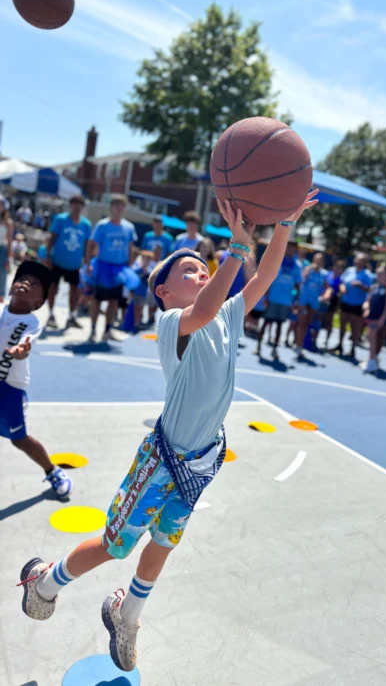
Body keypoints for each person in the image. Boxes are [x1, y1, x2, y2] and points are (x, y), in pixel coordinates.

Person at [18, 192, 317, 673]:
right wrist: (236, 248)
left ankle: (127, 612)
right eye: (190, 272)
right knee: (117, 543)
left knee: (164, 542)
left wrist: (284, 221)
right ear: (164, 291)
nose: (201, 273)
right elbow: (206, 306)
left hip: (201, 462)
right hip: (163, 460)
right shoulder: (175, 321)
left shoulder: (227, 316)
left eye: (206, 269)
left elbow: (264, 277)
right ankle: (46, 583)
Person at [0, 261, 73, 498]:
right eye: (22, 280)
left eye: (34, 284)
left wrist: (22, 350)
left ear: (38, 302)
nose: (26, 284)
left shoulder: (31, 322)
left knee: (19, 439)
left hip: (10, 388)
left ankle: (52, 470)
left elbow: (26, 343)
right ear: (11, 287)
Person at [85, 195, 138, 343]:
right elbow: (91, 245)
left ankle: (107, 330)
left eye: (121, 205)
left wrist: (130, 265)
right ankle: (93, 330)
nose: (118, 208)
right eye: (115, 205)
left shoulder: (129, 227)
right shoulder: (102, 225)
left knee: (114, 301)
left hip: (120, 269)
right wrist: (88, 263)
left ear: (124, 208)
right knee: (97, 299)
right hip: (102, 266)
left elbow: (131, 247)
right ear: (111, 207)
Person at [46, 195, 92, 330]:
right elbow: (51, 239)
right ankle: (50, 315)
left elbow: (87, 245)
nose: (77, 207)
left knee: (75, 291)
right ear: (70, 205)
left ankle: (71, 316)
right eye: (74, 204)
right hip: (57, 261)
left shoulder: (86, 224)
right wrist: (47, 256)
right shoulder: (60, 219)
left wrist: (87, 263)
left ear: (83, 207)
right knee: (53, 288)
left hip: (75, 264)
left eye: (80, 205)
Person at [255, 241, 302, 361]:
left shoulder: (297, 266)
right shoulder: (277, 260)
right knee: (266, 322)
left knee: (280, 325)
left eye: (293, 248)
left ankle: (275, 348)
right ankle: (258, 346)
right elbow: (268, 278)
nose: (290, 250)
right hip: (272, 298)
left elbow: (297, 285)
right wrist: (265, 296)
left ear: (295, 250)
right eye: (289, 247)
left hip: (285, 301)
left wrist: (295, 301)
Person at [331, 253, 374, 359]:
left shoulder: (367, 274)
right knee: (342, 325)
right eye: (358, 260)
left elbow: (370, 290)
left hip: (358, 304)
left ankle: (352, 348)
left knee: (355, 328)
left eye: (362, 260)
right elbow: (342, 282)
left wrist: (360, 285)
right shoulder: (349, 270)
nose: (359, 262)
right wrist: (342, 288)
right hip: (346, 302)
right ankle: (340, 345)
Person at [362, 266, 386, 373]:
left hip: (379, 317)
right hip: (371, 316)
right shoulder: (374, 286)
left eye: (381, 274)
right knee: (369, 337)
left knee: (373, 338)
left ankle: (371, 361)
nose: (379, 276)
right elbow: (368, 300)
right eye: (377, 274)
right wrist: (366, 307)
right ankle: (372, 358)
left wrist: (382, 319)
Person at [295, 252, 328, 358]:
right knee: (302, 322)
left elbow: (328, 287)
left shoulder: (323, 274)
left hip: (314, 302)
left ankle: (302, 344)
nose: (318, 262)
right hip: (304, 301)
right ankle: (298, 345)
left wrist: (326, 295)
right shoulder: (308, 269)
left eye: (320, 260)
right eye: (317, 260)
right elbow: (300, 281)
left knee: (308, 323)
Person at [320, 259, 346, 350]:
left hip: (333, 301)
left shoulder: (341, 279)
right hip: (323, 298)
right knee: (320, 319)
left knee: (329, 321)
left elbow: (342, 291)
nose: (337, 269)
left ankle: (326, 341)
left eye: (340, 268)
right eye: (337, 267)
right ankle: (314, 339)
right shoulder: (328, 275)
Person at [0, 195, 14, 303]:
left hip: (2, 250)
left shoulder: (8, 223)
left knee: (2, 274)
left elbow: (9, 241)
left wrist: (10, 258)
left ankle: (1, 296)